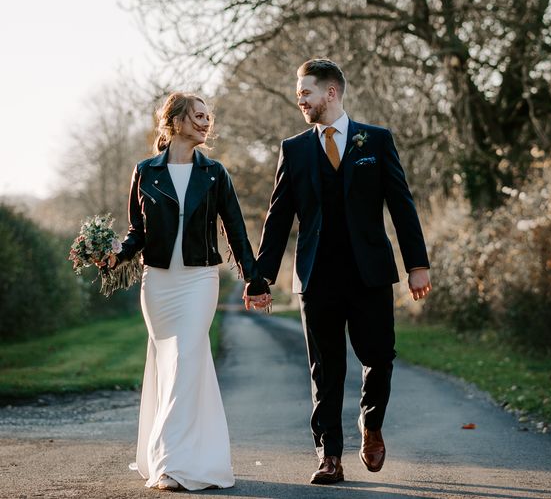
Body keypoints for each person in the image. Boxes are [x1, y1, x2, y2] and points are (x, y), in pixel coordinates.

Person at [243, 58, 432, 485]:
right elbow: (278, 218)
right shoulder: (294, 149)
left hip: (370, 274)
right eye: (298, 95)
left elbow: (402, 206)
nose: (301, 101)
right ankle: (330, 455)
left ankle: (372, 424)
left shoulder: (376, 142)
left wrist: (416, 264)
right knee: (324, 370)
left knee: (379, 357)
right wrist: (261, 277)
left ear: (331, 92)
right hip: (317, 277)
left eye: (306, 93)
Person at [115, 92, 267, 491]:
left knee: (184, 358)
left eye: (208, 116)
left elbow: (235, 230)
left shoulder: (215, 173)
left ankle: (169, 459)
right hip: (159, 284)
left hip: (200, 281)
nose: (205, 122)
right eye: (198, 116)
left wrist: (254, 278)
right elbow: (137, 232)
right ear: (176, 121)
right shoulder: (145, 171)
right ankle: (192, 456)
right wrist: (115, 255)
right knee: (173, 366)